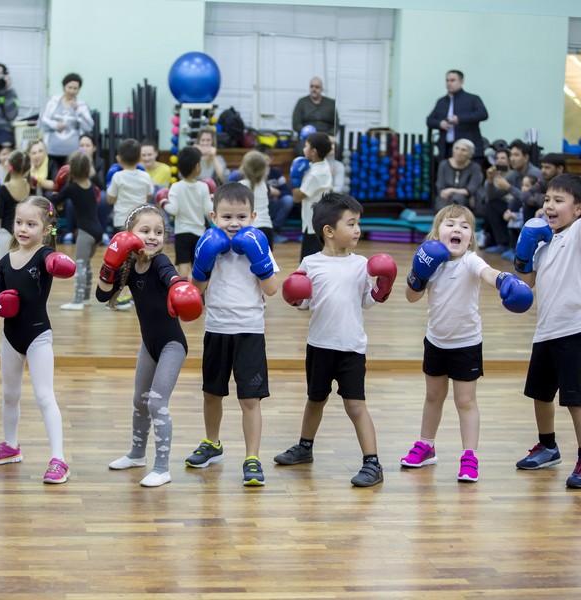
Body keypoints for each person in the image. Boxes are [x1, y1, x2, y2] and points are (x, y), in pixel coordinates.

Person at [399, 204, 533, 482]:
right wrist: (418, 274)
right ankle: (426, 446)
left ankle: (469, 455)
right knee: (433, 396)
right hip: (435, 340)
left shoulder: (470, 260)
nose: (457, 229)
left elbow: (488, 273)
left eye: (464, 225)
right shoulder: (430, 261)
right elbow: (411, 297)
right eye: (450, 224)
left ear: (470, 237)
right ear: (436, 233)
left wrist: (504, 281)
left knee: (466, 401)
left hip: (466, 344)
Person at [275, 192, 395, 487]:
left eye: (358, 224)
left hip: (351, 347)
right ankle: (304, 447)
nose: (358, 230)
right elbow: (305, 303)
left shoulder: (361, 264)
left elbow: (367, 301)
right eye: (351, 224)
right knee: (315, 399)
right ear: (329, 231)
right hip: (319, 344)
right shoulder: (311, 263)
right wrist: (294, 298)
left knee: (355, 405)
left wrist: (382, 288)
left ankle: (372, 462)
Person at [97, 205, 203, 487]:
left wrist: (180, 287)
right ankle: (136, 455)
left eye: (159, 231)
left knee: (157, 403)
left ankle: (162, 468)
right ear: (130, 235)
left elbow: (170, 275)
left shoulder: (159, 263)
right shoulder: (130, 267)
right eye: (145, 231)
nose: (153, 236)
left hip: (172, 345)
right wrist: (110, 264)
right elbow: (101, 295)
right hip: (149, 344)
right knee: (139, 400)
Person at [186, 182, 279, 487]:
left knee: (250, 399)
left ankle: (252, 456)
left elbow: (272, 289)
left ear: (252, 216)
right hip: (216, 328)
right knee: (212, 392)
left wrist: (259, 261)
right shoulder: (208, 244)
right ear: (214, 216)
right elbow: (195, 291)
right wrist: (202, 265)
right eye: (227, 217)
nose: (234, 223)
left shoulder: (258, 244)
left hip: (250, 330)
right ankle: (212, 443)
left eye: (241, 216)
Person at [0, 196, 76, 484]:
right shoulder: (4, 261)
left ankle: (59, 458)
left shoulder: (44, 255)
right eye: (19, 223)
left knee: (44, 396)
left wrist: (61, 262)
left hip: (38, 337)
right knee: (9, 394)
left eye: (31, 224)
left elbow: (59, 264)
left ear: (46, 229)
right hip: (11, 336)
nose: (23, 229)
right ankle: (10, 446)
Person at [511, 174, 581, 488]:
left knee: (575, 399)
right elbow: (526, 287)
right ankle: (549, 446)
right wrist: (523, 256)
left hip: (575, 329)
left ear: (578, 209)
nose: (549, 207)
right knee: (540, 393)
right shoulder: (544, 244)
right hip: (546, 330)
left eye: (559, 201)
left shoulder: (578, 233)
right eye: (547, 200)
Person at [54, 152, 103, 310]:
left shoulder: (72, 188)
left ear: (71, 169)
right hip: (97, 232)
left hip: (85, 232)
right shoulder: (90, 184)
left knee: (80, 265)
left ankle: (77, 301)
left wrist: (55, 189)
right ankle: (86, 298)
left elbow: (55, 200)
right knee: (87, 264)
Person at [159, 146, 212, 278]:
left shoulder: (176, 187)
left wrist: (163, 202)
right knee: (198, 265)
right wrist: (212, 198)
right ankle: (198, 293)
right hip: (199, 232)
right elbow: (208, 210)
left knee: (183, 263)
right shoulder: (203, 186)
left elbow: (173, 210)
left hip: (182, 232)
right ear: (197, 166)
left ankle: (182, 290)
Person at [484, 140, 541, 253]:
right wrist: (490, 181)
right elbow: (492, 196)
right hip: (516, 209)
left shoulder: (535, 173)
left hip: (532, 209)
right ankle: (503, 243)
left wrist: (508, 187)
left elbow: (530, 200)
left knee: (518, 204)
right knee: (491, 204)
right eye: (511, 155)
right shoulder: (514, 173)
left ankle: (520, 248)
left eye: (516, 155)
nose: (512, 159)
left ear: (526, 157)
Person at [426, 70, 488, 162]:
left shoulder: (472, 99)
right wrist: (440, 123)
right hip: (446, 149)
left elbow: (483, 114)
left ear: (461, 82)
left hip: (467, 150)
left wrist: (460, 119)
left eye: (452, 80)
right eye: (447, 80)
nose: (449, 83)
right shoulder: (441, 101)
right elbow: (429, 120)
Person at [40, 73, 94, 178]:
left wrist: (78, 111)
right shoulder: (53, 101)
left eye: (75, 88)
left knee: (70, 180)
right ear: (64, 86)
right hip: (51, 152)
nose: (72, 91)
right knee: (54, 179)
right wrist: (55, 125)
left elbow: (89, 127)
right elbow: (41, 121)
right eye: (70, 87)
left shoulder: (82, 105)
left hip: (72, 154)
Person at [291, 132, 333, 260]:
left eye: (306, 146)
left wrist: (294, 178)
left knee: (308, 262)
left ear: (313, 151)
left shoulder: (315, 174)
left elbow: (297, 197)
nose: (304, 149)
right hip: (318, 220)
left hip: (313, 223)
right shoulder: (322, 164)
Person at [0, 150, 31, 260]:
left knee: (3, 267)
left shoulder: (4, 188)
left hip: (7, 232)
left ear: (10, 166)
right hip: (24, 232)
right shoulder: (27, 185)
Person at [256, 144, 294, 244]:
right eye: (260, 159)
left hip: (274, 203)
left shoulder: (276, 173)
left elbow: (287, 191)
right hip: (257, 206)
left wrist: (275, 192)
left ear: (271, 159)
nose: (263, 163)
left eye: (266, 159)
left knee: (288, 199)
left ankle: (274, 230)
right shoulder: (253, 174)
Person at [292, 76, 340, 155]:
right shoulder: (302, 102)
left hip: (325, 137)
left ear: (321, 89)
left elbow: (336, 124)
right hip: (307, 137)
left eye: (317, 87)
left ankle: (327, 167)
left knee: (336, 149)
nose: (314, 89)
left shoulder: (331, 104)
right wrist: (306, 132)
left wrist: (329, 136)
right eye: (311, 86)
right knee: (300, 150)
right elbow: (296, 124)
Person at [434, 138, 484, 211]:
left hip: (465, 199)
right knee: (443, 204)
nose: (459, 152)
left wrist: (451, 190)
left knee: (458, 199)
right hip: (445, 198)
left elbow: (470, 190)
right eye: (457, 148)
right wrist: (445, 192)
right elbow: (440, 186)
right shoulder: (443, 164)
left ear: (470, 154)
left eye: (463, 150)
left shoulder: (475, 168)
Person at [239, 150, 274, 248]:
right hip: (267, 229)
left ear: (243, 168)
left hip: (249, 229)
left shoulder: (240, 185)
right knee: (265, 262)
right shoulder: (265, 185)